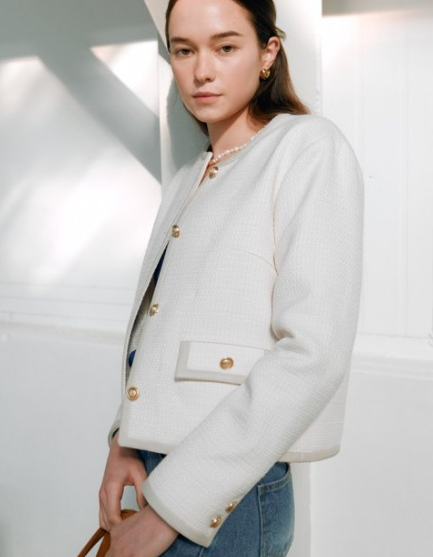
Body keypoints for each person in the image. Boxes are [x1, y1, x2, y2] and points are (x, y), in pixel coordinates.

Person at [98, 0, 364, 556]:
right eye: (183, 50)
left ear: (268, 52)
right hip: (155, 469)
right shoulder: (189, 176)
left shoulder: (308, 148)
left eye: (225, 47)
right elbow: (161, 324)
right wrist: (124, 439)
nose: (202, 71)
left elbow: (313, 354)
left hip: (227, 495)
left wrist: (170, 510)